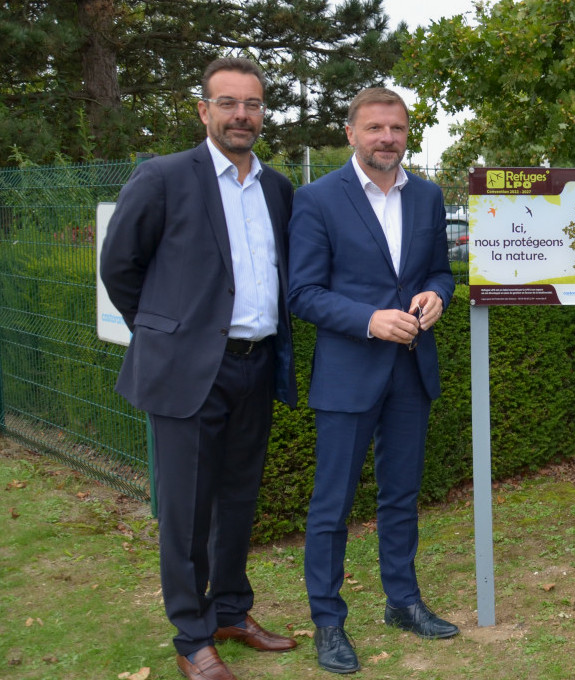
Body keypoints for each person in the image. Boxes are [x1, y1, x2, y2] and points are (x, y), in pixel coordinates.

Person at [100, 57, 298, 680]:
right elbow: (119, 268)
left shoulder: (277, 189)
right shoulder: (162, 177)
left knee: (239, 502)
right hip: (189, 373)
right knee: (186, 512)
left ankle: (231, 612)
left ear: (263, 112)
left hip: (256, 365)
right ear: (204, 110)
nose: (242, 114)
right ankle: (191, 637)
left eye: (253, 104)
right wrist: (166, 335)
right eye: (229, 102)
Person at [288, 87, 458, 673]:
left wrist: (438, 293)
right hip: (347, 375)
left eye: (397, 128)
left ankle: (403, 601)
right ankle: (328, 622)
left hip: (412, 370)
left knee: (402, 498)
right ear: (352, 133)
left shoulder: (430, 196)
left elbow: (440, 266)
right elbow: (302, 293)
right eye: (375, 128)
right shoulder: (316, 200)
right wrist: (367, 320)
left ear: (408, 132)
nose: (387, 137)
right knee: (331, 505)